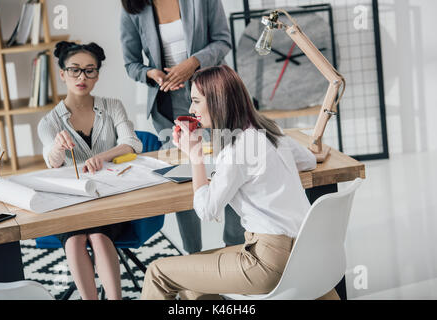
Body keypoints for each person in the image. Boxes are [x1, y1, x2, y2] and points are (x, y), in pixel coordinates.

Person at [140, 65, 340, 300]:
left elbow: (206, 210)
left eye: (195, 101)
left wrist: (195, 157)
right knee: (193, 286)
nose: (191, 109)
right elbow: (307, 161)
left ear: (217, 101)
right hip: (306, 253)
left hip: (267, 263)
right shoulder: (269, 130)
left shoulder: (235, 150)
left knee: (157, 272)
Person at [120, 0, 245, 254]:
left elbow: (223, 41)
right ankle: (193, 257)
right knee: (184, 177)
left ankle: (235, 249)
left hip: (214, 99)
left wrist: (193, 63)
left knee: (231, 168)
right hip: (169, 106)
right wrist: (151, 74)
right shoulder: (132, 8)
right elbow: (131, 64)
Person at [37, 41, 143, 300]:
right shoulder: (48, 122)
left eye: (89, 70)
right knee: (74, 241)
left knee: (98, 234)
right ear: (62, 73)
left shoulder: (112, 106)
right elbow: (51, 160)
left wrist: (101, 157)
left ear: (97, 74)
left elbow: (133, 143)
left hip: (109, 198)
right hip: (71, 204)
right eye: (74, 70)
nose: (82, 77)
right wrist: (59, 149)